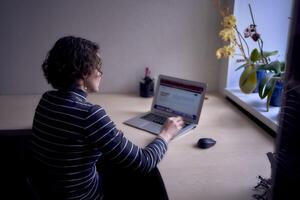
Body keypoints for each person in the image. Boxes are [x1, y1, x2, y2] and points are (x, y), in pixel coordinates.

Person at [28, 35, 184, 200]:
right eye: (97, 65)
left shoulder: (47, 99)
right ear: (82, 71)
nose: (101, 72)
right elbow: (144, 163)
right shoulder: (89, 114)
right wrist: (166, 134)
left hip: (51, 192)